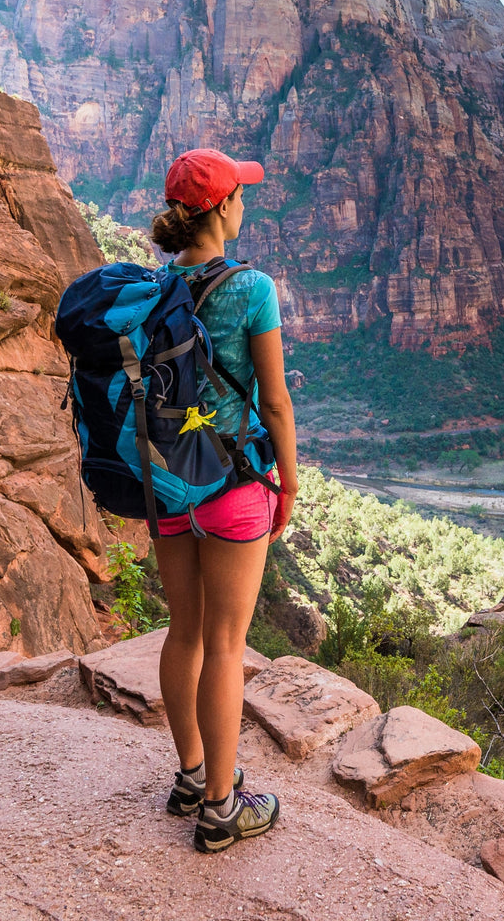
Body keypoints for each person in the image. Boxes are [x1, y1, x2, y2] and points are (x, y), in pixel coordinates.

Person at [147, 148, 298, 853]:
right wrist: (288, 481)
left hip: (169, 482)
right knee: (227, 646)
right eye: (240, 192)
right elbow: (273, 399)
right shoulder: (253, 287)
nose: (246, 202)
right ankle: (221, 807)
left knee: (184, 633)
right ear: (221, 208)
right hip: (235, 485)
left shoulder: (154, 284)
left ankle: (188, 776)